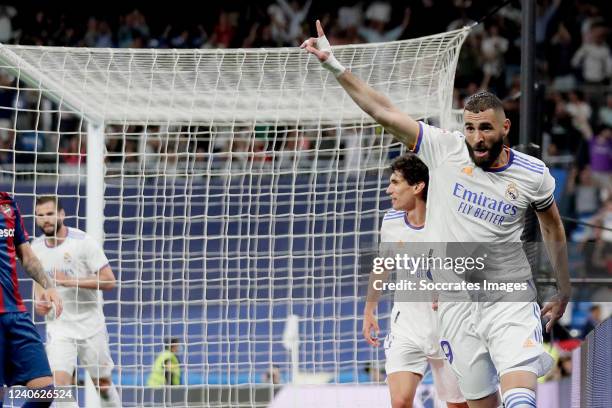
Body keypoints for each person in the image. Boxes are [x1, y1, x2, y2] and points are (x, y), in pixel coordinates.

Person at [302, 21, 571, 408]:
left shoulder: (533, 174)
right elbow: (383, 110)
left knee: (519, 398)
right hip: (454, 304)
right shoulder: (444, 150)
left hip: (507, 296)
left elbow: (552, 226)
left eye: (486, 129)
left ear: (505, 127)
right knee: (481, 403)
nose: (477, 138)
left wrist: (563, 286)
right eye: (470, 128)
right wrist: (335, 66)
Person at [363, 153, 468, 408]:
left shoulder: (448, 222)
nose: (389, 190)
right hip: (407, 325)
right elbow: (383, 265)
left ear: (418, 186)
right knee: (400, 402)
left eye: (396, 182)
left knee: (458, 405)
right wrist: (369, 310)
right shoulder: (391, 222)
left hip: (448, 326)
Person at [31, 196, 120, 407]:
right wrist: (40, 304)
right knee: (59, 387)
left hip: (90, 325)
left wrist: (71, 281)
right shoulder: (35, 248)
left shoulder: (83, 242)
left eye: (50, 213)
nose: (45, 219)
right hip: (59, 327)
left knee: (103, 386)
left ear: (62, 214)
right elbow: (39, 286)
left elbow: (109, 281)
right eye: (40, 215)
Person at [0, 191, 62, 408]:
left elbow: (26, 255)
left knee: (45, 391)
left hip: (15, 313)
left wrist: (49, 286)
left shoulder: (8, 204)